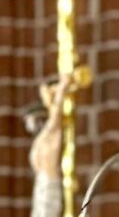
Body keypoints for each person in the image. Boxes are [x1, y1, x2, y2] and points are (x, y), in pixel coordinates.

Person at [23, 75, 72, 217]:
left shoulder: (51, 132)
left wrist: (62, 87)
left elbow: (56, 113)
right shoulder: (42, 138)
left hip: (50, 184)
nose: (28, 126)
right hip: (41, 185)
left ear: (38, 119)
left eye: (29, 121)